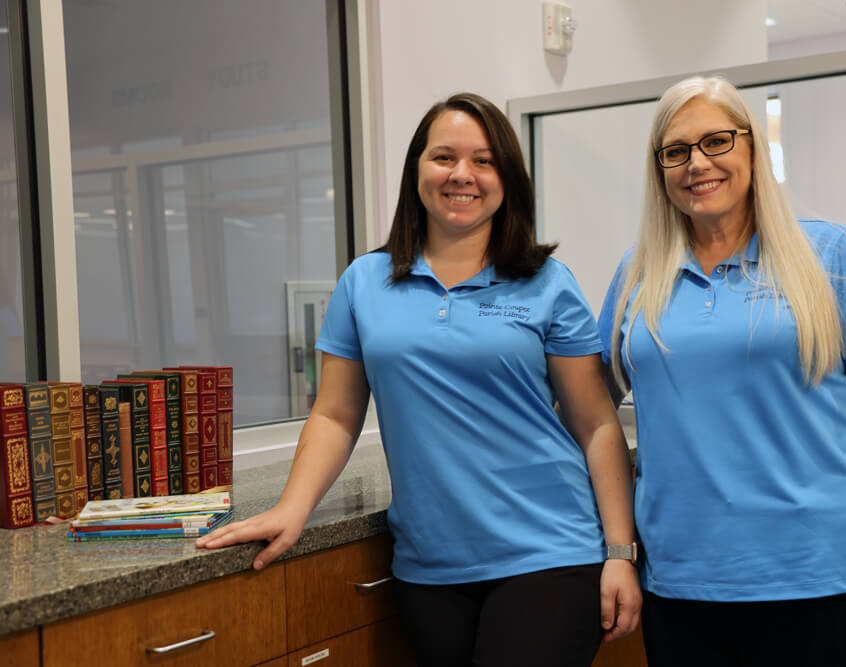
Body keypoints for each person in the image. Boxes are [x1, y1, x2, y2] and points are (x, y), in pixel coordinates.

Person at [197, 92, 641, 667]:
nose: (463, 174)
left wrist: (619, 552)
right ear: (416, 171)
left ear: (507, 178)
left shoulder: (547, 282)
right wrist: (293, 506)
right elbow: (336, 414)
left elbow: (596, 423)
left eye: (484, 160)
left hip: (549, 550)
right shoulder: (365, 282)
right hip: (429, 564)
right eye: (444, 157)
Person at [598, 76, 846, 667]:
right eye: (676, 151)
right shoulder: (638, 275)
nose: (698, 163)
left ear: (752, 148)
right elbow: (591, 418)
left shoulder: (828, 254)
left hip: (813, 575)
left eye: (717, 141)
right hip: (678, 576)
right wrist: (619, 549)